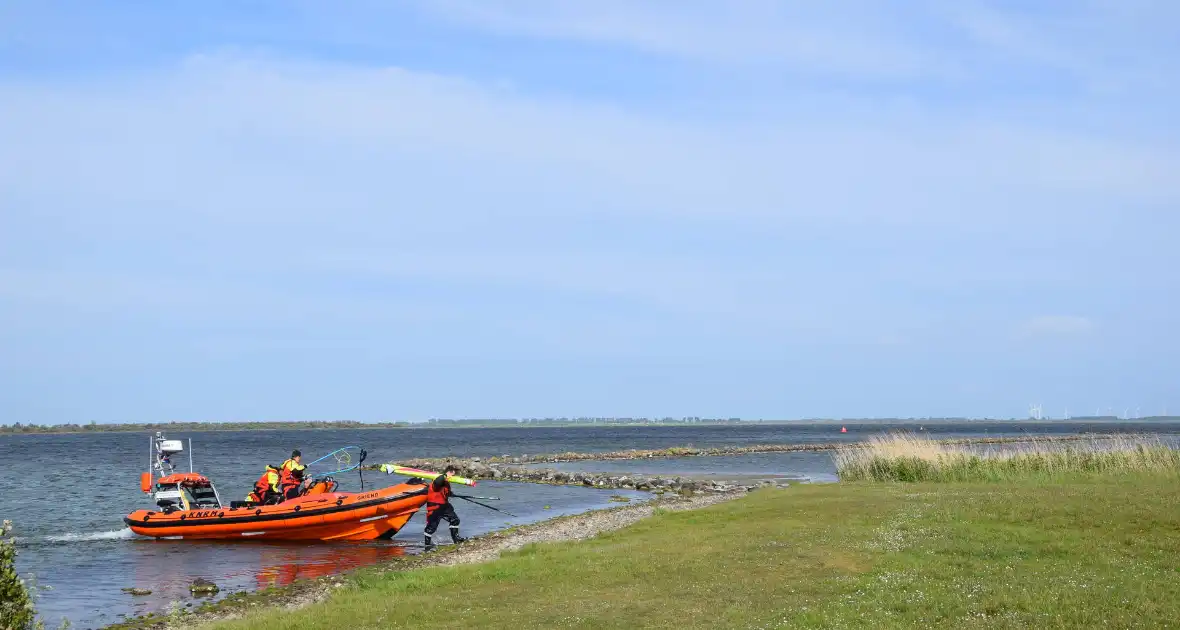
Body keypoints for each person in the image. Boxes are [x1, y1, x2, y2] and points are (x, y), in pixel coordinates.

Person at [423, 465, 467, 551]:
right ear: (449, 472)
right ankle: (427, 545)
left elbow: (446, 492)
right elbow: (438, 483)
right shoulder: (438, 479)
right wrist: (446, 476)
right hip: (435, 505)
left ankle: (456, 539)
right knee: (431, 527)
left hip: (444, 505)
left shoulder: (446, 481)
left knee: (455, 520)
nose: (453, 477)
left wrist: (451, 494)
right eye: (453, 474)